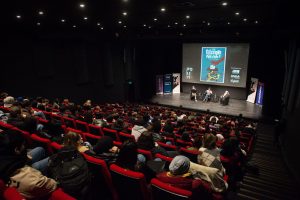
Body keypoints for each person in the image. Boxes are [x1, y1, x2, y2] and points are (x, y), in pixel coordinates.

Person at [0, 129, 57, 199]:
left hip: (17, 174)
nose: (24, 147)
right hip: (32, 182)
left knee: (40, 149)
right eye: (23, 145)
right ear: (16, 150)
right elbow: (53, 184)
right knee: (54, 158)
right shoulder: (35, 182)